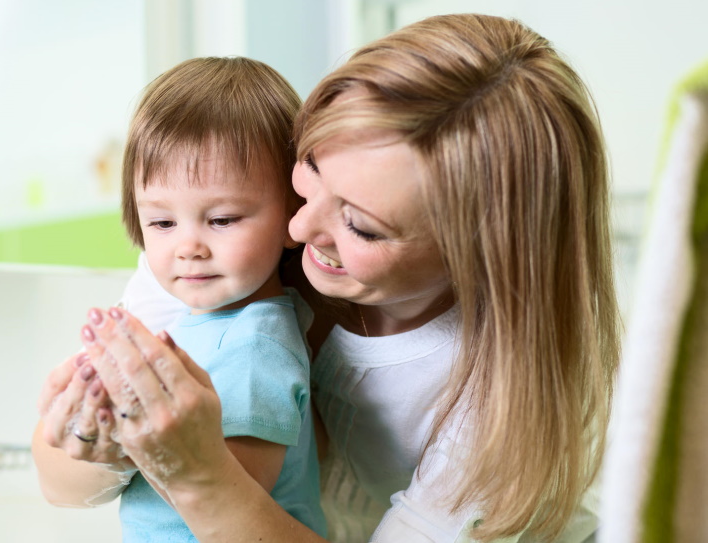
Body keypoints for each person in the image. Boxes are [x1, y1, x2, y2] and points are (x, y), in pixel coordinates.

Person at [35, 13, 619, 542]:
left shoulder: (497, 407)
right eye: (310, 165)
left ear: (478, 254)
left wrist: (195, 473)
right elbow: (62, 486)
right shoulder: (222, 248)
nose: (300, 221)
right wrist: (94, 445)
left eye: (361, 227)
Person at [34, 56, 327, 540]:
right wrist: (96, 418)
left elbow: (231, 489)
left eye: (223, 219)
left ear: (294, 215)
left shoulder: (256, 345)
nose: (189, 247)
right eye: (163, 223)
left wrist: (130, 430)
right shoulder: (185, 320)